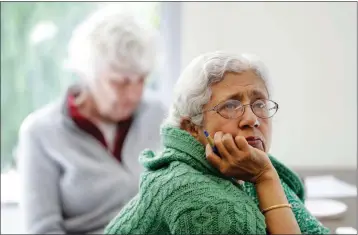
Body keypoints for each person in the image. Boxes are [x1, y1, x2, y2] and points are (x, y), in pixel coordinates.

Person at [105, 51, 330, 234]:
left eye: (259, 103)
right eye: (231, 106)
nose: (251, 119)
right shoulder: (202, 201)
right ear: (192, 128)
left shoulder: (246, 170)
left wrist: (264, 177)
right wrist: (266, 178)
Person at [16, 7, 166, 234]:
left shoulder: (158, 114)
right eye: (121, 82)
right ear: (89, 72)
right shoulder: (40, 132)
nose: (135, 93)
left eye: (141, 80)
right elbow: (43, 229)